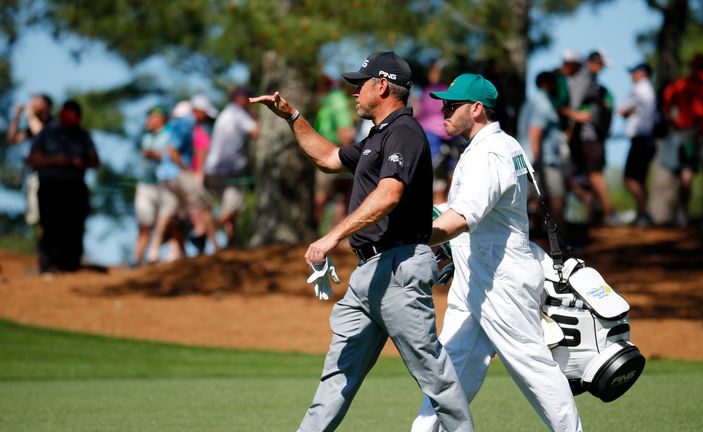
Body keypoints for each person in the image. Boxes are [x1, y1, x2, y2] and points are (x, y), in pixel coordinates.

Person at [249, 51, 474, 432]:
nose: (354, 92)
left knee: (433, 375)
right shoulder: (379, 136)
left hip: (399, 269)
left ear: (382, 86)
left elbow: (389, 195)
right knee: (337, 375)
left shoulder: (404, 132)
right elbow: (328, 157)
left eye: (360, 84)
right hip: (368, 273)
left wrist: (332, 236)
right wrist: (292, 116)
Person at [410, 74, 582, 432]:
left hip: (500, 275)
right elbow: (463, 210)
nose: (443, 110)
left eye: (452, 105)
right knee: (450, 369)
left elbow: (462, 218)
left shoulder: (489, 152)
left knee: (534, 368)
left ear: (476, 110)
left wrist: (408, 234)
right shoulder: (498, 145)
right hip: (481, 271)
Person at [27, 100, 100, 273]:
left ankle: (71, 264)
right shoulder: (47, 133)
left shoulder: (83, 136)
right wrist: (55, 160)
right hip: (50, 186)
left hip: (74, 187)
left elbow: (95, 162)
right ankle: (48, 265)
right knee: (50, 225)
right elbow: (33, 158)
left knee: (74, 226)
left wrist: (80, 163)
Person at [148, 96, 220, 261]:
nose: (206, 118)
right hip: (177, 173)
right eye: (205, 114)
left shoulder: (180, 124)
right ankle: (215, 246)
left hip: (167, 175)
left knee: (168, 212)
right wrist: (187, 170)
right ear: (198, 111)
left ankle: (153, 251)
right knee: (205, 204)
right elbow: (172, 151)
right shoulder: (186, 124)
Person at [660, 53, 703, 227]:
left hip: (686, 133)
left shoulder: (681, 83)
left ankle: (683, 213)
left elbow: (666, 107)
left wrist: (674, 123)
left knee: (687, 173)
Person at [565, 50, 618, 225]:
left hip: (591, 134)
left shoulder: (593, 81)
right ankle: (608, 212)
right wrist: (572, 122)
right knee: (594, 173)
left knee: (588, 175)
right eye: (600, 64)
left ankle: (593, 215)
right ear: (593, 62)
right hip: (585, 135)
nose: (601, 68)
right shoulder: (584, 78)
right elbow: (574, 102)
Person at [205, 86, 260, 247]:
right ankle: (203, 231)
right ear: (241, 99)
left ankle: (230, 244)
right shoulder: (238, 114)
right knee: (233, 208)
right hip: (230, 171)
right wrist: (255, 117)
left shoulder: (225, 113)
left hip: (213, 169)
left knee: (228, 207)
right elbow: (255, 132)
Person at [132, 105, 184, 266]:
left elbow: (172, 156)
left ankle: (177, 255)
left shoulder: (170, 134)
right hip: (146, 184)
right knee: (144, 224)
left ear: (160, 119)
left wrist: (155, 156)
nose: (149, 121)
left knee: (171, 221)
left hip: (166, 184)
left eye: (152, 117)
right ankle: (136, 260)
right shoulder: (146, 136)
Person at [517, 70, 568, 229]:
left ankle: (538, 235)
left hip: (528, 158)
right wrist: (537, 160)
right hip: (542, 160)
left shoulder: (531, 100)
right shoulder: (543, 103)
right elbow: (535, 132)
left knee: (531, 199)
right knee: (556, 197)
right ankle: (561, 239)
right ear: (548, 84)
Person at [312, 77, 356, 228]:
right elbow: (346, 133)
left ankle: (316, 233)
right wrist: (351, 158)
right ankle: (340, 237)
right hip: (336, 151)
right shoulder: (339, 101)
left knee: (321, 198)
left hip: (320, 150)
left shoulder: (327, 100)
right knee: (347, 195)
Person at [617, 63, 657, 227]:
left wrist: (627, 112)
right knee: (639, 179)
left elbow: (622, 110)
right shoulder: (649, 90)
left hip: (640, 139)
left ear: (642, 73)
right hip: (647, 138)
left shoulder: (640, 89)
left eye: (633, 72)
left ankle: (645, 212)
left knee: (630, 178)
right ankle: (642, 212)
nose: (631, 75)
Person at [6, 93, 54, 229]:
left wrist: (30, 115)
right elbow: (13, 139)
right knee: (38, 218)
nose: (32, 103)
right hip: (36, 176)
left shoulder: (52, 125)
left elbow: (43, 136)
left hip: (49, 178)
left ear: (46, 105)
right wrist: (16, 117)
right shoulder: (32, 127)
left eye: (36, 100)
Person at [416, 59, 456, 204]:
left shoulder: (428, 91)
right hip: (437, 138)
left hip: (434, 136)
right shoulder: (442, 91)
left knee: (439, 182)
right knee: (439, 185)